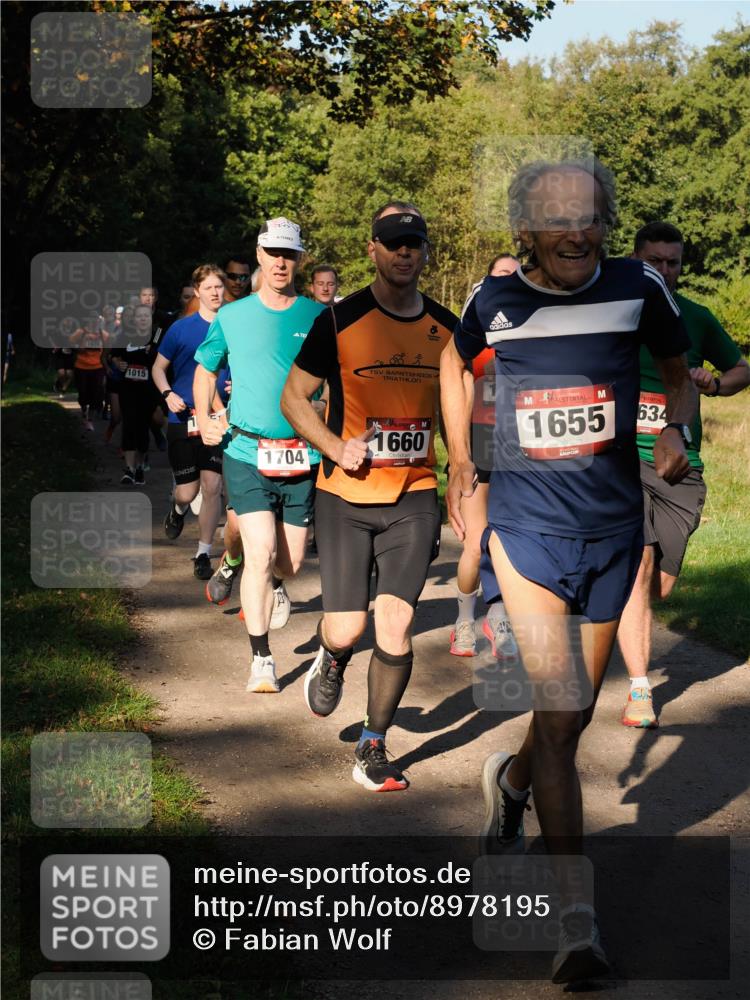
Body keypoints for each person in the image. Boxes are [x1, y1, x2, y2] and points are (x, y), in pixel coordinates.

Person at [440, 157, 696, 983]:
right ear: (528, 231)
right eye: (558, 218)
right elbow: (454, 362)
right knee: (557, 708)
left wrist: (679, 429)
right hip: (526, 530)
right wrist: (460, 461)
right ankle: (577, 926)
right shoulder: (496, 301)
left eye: (588, 216)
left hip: (615, 529)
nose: (577, 232)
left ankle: (510, 785)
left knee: (569, 717)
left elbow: (676, 373)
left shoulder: (639, 290)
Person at [281, 201, 457, 792]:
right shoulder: (339, 320)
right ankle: (330, 659)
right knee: (347, 627)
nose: (405, 252)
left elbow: (465, 409)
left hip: (415, 492)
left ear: (425, 252)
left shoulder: (446, 327)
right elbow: (294, 398)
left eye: (414, 243)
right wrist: (333, 446)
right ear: (373, 250)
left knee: (397, 623)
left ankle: (373, 747)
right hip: (345, 496)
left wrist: (466, 472)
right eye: (393, 243)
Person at [617, 221, 750, 727]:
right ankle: (639, 689)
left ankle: (614, 611)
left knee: (661, 587)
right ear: (636, 260)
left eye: (673, 262)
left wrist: (712, 382)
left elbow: (742, 369)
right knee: (640, 562)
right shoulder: (618, 315)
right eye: (655, 261)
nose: (665, 271)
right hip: (624, 460)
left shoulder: (695, 317)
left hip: (679, 468)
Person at [194, 218, 325, 693]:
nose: (280, 262)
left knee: (287, 563)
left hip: (300, 456)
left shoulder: (316, 316)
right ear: (260, 254)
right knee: (261, 552)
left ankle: (269, 581)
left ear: (298, 260)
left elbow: (336, 380)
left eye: (288, 254)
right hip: (246, 450)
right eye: (272, 252)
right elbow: (206, 370)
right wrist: (206, 415)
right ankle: (262, 658)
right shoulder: (233, 315)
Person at [450, 252, 520, 657]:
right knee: (476, 544)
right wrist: (458, 456)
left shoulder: (534, 334)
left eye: (515, 275)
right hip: (481, 448)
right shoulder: (472, 341)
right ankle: (463, 621)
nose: (508, 282)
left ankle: (500, 620)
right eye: (499, 276)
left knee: (512, 544)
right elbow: (454, 390)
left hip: (522, 453)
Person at [153, 265, 229, 580]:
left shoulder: (236, 327)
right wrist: (168, 393)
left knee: (213, 487)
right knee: (187, 491)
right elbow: (158, 368)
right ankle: (178, 509)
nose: (215, 293)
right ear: (197, 291)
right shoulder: (181, 329)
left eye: (219, 287)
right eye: (208, 288)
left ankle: (202, 553)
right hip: (182, 418)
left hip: (218, 419)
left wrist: (236, 386)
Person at [104, 303, 159, 484]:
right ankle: (129, 469)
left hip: (148, 390)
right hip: (128, 389)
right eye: (139, 316)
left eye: (146, 315)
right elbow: (112, 355)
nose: (143, 319)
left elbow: (164, 360)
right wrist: (117, 362)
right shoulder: (125, 336)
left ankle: (141, 464)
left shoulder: (156, 337)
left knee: (142, 429)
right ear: (134, 319)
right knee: (128, 425)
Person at [69, 317, 107, 431]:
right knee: (83, 392)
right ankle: (84, 409)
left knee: (96, 393)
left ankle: (89, 419)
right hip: (81, 366)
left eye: (96, 320)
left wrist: (106, 361)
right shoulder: (80, 332)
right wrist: (78, 349)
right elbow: (70, 343)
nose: (94, 322)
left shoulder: (103, 334)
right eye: (92, 320)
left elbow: (109, 348)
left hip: (97, 367)